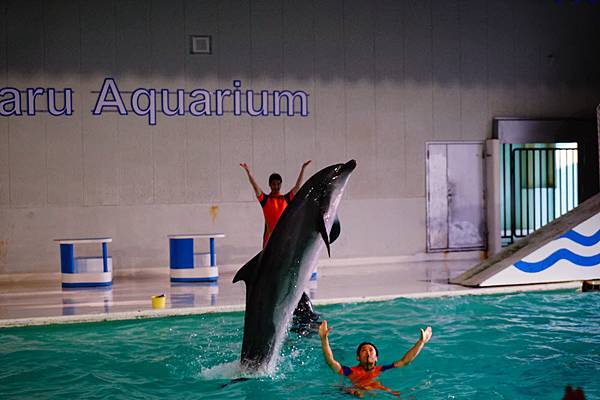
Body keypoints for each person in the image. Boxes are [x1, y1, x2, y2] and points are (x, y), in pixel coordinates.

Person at [319, 319, 432, 397]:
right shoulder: (350, 371)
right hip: (356, 393)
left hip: (378, 392)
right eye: (364, 350)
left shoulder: (381, 369)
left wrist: (421, 342)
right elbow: (331, 362)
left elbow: (405, 361)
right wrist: (324, 340)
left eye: (371, 350)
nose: (367, 352)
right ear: (358, 357)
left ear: (376, 358)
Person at [240, 160, 311, 247]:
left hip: (283, 240)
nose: (276, 187)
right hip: (268, 242)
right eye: (274, 184)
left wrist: (302, 169)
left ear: (281, 184)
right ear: (270, 185)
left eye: (278, 184)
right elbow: (255, 186)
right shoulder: (265, 200)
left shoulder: (285, 199)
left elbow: (297, 187)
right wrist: (248, 173)